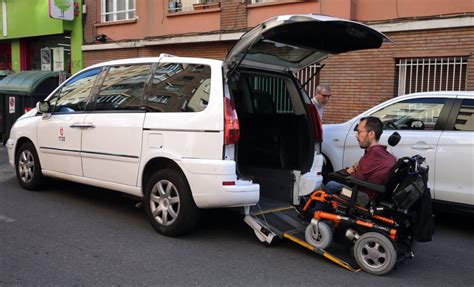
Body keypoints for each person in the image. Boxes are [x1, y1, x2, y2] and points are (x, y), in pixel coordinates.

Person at [316, 116, 397, 209]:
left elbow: (354, 179)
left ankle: (313, 214)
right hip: (371, 193)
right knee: (333, 180)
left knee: (331, 185)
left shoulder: (374, 154)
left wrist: (350, 171)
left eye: (359, 132)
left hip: (363, 197)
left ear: (371, 134)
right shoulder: (382, 153)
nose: (356, 136)